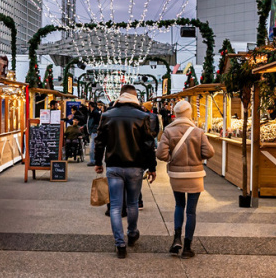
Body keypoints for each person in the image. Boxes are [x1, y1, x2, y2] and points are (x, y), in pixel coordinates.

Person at [94, 85, 157, 258]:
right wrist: (152, 167)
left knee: (115, 206)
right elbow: (149, 144)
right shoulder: (143, 116)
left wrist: (98, 162)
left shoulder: (107, 115)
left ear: (120, 96)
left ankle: (120, 244)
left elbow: (99, 141)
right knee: (132, 203)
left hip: (114, 165)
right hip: (135, 166)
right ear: (135, 97)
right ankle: (132, 233)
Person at [156, 100, 215, 259]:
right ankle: (187, 247)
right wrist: (197, 157)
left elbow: (161, 154)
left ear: (176, 113)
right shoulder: (198, 132)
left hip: (177, 175)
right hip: (195, 176)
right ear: (189, 113)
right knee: (191, 211)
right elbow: (209, 152)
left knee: (179, 205)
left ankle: (177, 239)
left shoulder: (168, 131)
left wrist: (171, 159)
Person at [86, 100, 102, 166]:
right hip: (93, 131)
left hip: (94, 132)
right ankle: (95, 160)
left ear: (90, 106)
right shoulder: (94, 112)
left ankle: (93, 160)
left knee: (92, 147)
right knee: (94, 147)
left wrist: (93, 130)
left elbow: (96, 123)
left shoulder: (94, 113)